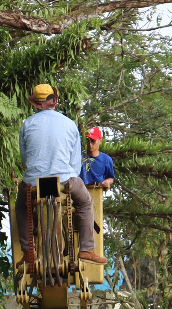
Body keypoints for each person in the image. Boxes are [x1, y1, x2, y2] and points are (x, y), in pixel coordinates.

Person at [15, 84, 106, 268]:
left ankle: (28, 250)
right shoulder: (69, 124)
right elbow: (75, 162)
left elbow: (25, 158)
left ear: (35, 104)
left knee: (22, 207)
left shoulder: (27, 124)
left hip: (34, 182)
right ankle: (87, 249)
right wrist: (69, 176)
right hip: (65, 180)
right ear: (54, 101)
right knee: (85, 203)